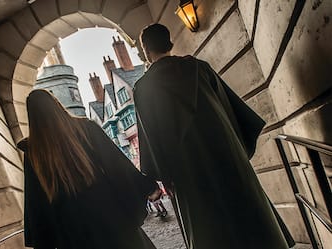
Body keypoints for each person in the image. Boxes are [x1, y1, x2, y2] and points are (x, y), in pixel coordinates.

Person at [134, 23, 295, 249]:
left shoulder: (143, 88)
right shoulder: (200, 68)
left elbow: (151, 139)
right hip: (228, 157)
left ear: (146, 51)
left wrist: (163, 176)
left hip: (187, 173)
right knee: (250, 222)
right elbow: (231, 113)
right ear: (169, 42)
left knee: (209, 230)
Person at [17, 89, 158, 249]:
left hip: (74, 232)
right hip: (110, 217)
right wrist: (147, 187)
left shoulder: (34, 151)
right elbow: (117, 166)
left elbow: (36, 201)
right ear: (56, 104)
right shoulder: (86, 128)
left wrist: (44, 239)